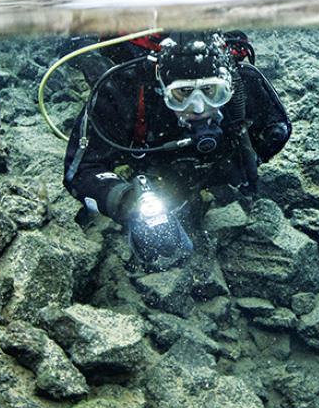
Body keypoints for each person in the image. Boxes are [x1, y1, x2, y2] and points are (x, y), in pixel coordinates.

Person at [64, 31, 292, 268]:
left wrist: (229, 169)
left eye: (211, 91)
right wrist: (129, 201)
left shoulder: (246, 84)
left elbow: (276, 132)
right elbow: (80, 171)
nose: (199, 107)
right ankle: (82, 43)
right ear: (162, 89)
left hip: (204, 164)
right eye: (182, 93)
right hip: (144, 146)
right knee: (94, 65)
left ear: (229, 86)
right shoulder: (123, 91)